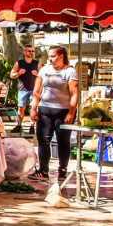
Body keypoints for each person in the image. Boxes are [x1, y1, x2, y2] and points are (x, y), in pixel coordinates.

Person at [28, 46, 78, 182]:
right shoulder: (44, 70)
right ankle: (43, 170)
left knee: (63, 141)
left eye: (53, 56)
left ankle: (62, 170)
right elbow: (36, 91)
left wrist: (71, 112)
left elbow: (74, 93)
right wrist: (33, 109)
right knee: (43, 141)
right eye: (49, 56)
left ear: (61, 56)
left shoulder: (70, 71)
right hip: (45, 110)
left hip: (63, 111)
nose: (50, 59)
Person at [10, 44, 40, 134]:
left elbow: (43, 76)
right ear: (24, 52)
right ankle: (19, 125)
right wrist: (19, 73)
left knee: (33, 108)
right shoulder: (19, 63)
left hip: (34, 90)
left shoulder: (37, 63)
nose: (31, 52)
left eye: (32, 51)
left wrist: (37, 74)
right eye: (29, 51)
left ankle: (32, 127)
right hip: (22, 90)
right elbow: (11, 75)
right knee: (21, 108)